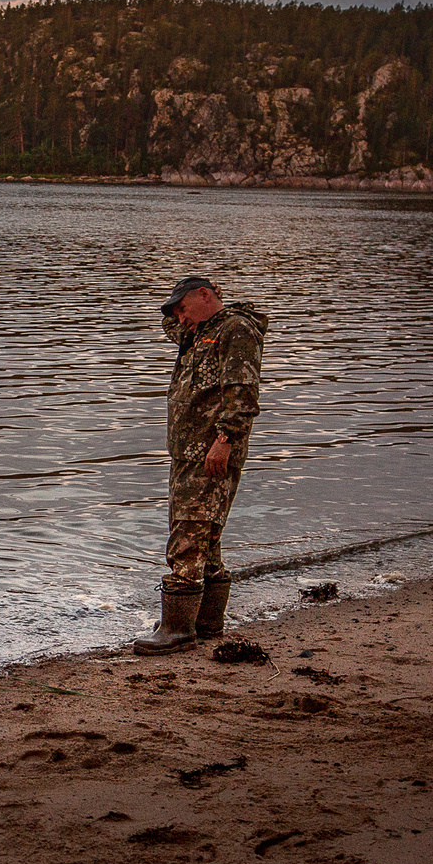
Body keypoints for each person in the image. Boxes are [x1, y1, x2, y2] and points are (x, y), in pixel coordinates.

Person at [134, 275, 269, 654]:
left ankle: (177, 630)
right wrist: (178, 315)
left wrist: (224, 440)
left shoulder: (235, 329)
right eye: (175, 313)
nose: (179, 318)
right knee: (206, 538)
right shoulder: (196, 333)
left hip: (211, 450)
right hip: (189, 451)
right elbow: (171, 325)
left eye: (183, 308)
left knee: (189, 534)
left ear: (205, 295)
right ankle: (208, 624)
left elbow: (244, 390)